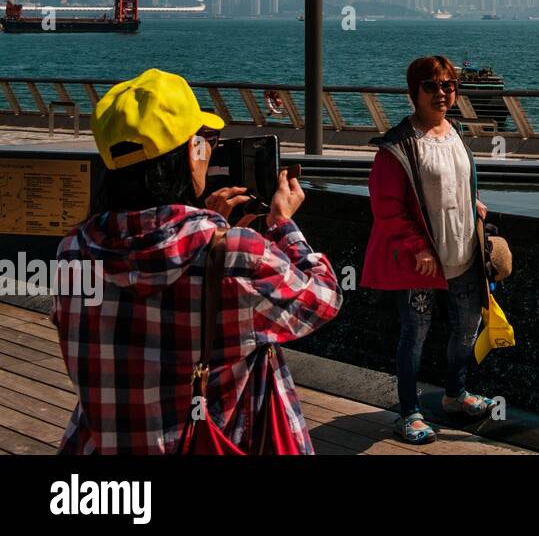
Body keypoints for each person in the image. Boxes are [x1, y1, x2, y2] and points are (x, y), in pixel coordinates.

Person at [50, 68, 341, 454]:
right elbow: (322, 300)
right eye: (205, 141)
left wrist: (209, 223)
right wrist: (281, 225)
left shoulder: (73, 250)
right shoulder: (236, 252)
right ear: (191, 151)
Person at [362, 55, 496, 443]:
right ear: (414, 91)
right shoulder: (398, 146)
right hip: (423, 262)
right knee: (414, 333)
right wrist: (416, 247)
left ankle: (455, 393)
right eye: (432, 86)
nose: (442, 93)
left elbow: (456, 182)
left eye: (448, 85)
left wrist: (474, 204)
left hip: (463, 253)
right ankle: (409, 412)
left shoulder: (454, 133)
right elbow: (386, 207)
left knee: (467, 327)